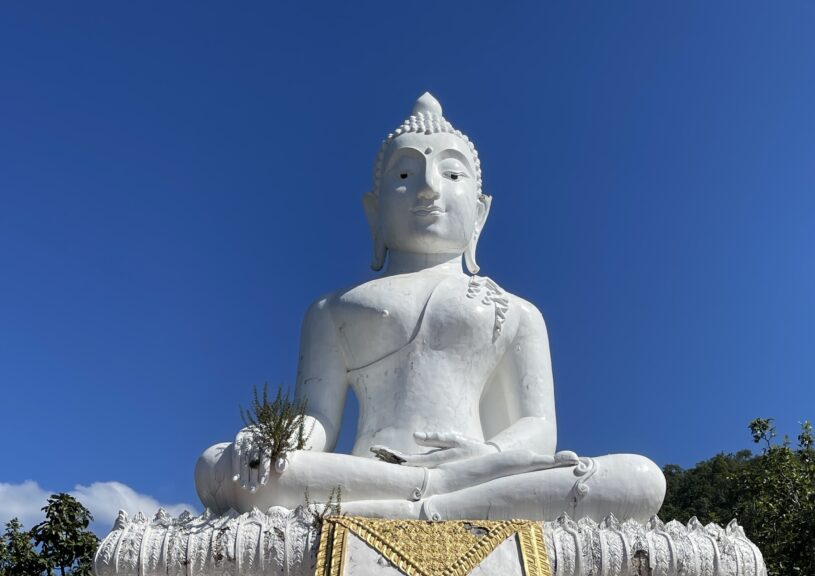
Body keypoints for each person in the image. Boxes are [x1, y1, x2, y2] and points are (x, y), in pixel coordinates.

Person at [196, 94, 665, 523]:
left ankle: (431, 497)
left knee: (641, 479)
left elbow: (538, 431)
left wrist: (484, 456)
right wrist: (272, 443)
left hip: (479, 468)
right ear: (372, 212)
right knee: (217, 467)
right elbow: (319, 420)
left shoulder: (517, 312)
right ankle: (434, 495)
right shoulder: (334, 308)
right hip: (371, 473)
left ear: (480, 214)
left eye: (452, 173)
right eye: (404, 175)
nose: (427, 189)